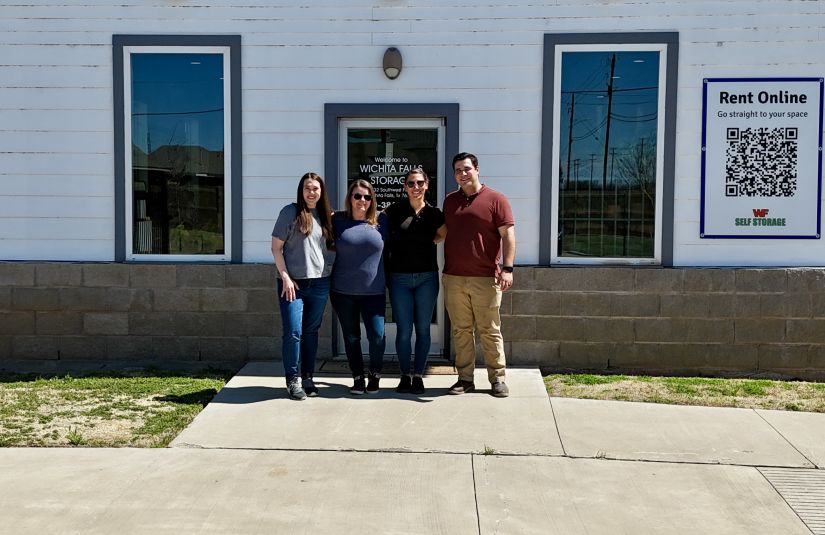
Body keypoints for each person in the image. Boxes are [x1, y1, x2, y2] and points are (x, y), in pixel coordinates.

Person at [442, 152, 516, 398]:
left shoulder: (496, 199)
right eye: (458, 170)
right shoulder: (450, 201)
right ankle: (465, 378)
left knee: (490, 330)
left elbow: (508, 236)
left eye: (466, 169)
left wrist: (507, 268)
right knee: (461, 331)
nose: (462, 174)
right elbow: (443, 232)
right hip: (454, 277)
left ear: (477, 169)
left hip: (486, 278)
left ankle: (498, 378)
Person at [271, 172, 336, 400]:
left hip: (320, 283)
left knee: (310, 332)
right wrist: (285, 277)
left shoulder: (326, 216)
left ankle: (308, 377)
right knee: (293, 332)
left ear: (321, 192)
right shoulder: (290, 212)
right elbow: (276, 248)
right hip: (293, 284)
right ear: (301, 190)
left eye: (315, 188)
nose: (311, 192)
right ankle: (293, 379)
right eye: (307, 188)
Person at [385, 168, 446, 395]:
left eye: (420, 183)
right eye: (411, 183)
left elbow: (443, 234)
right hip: (399, 278)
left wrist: (431, 241)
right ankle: (404, 375)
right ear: (405, 187)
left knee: (423, 329)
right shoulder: (394, 210)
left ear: (427, 185)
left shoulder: (434, 213)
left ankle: (418, 375)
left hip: (426, 278)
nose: (416, 187)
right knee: (403, 330)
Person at [330, 179, 389, 395]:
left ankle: (375, 373)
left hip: (374, 292)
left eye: (367, 196)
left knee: (377, 336)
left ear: (372, 199)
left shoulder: (382, 220)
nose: (362, 200)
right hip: (342, 291)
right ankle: (357, 376)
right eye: (357, 196)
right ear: (350, 198)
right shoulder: (337, 220)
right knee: (352, 337)